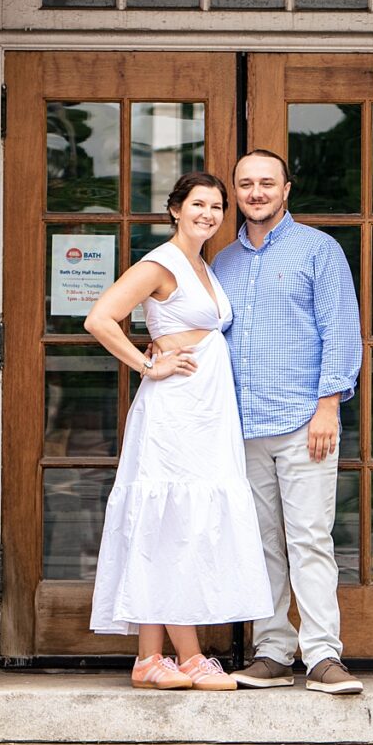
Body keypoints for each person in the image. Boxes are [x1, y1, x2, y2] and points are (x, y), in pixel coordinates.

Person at [81, 171, 271, 689]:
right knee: (169, 522)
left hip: (208, 411)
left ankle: (154, 658)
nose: (208, 214)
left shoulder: (203, 266)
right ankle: (179, 657)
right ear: (175, 209)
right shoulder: (160, 263)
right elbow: (100, 318)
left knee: (180, 525)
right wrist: (147, 366)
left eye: (215, 206)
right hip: (175, 410)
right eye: (198, 205)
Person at [217, 147, 366, 695]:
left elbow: (341, 332)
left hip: (304, 422)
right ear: (237, 192)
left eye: (266, 183)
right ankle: (274, 650)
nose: (256, 192)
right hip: (242, 427)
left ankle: (323, 654)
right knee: (261, 544)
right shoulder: (223, 263)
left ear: (286, 190)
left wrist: (329, 405)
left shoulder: (318, 251)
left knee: (309, 539)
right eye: (246, 184)